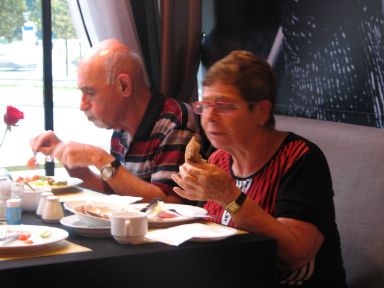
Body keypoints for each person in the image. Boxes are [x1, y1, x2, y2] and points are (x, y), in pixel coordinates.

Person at [171, 50, 346, 287]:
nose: (209, 117)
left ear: (262, 112)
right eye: (204, 105)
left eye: (224, 106)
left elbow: (294, 253)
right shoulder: (219, 159)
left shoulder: (300, 158)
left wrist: (228, 196)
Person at [30, 39, 200, 203]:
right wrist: (63, 153)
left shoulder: (174, 122)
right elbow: (113, 187)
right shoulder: (121, 128)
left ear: (124, 86)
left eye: (89, 92)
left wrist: (97, 157)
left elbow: (170, 204)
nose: (82, 105)